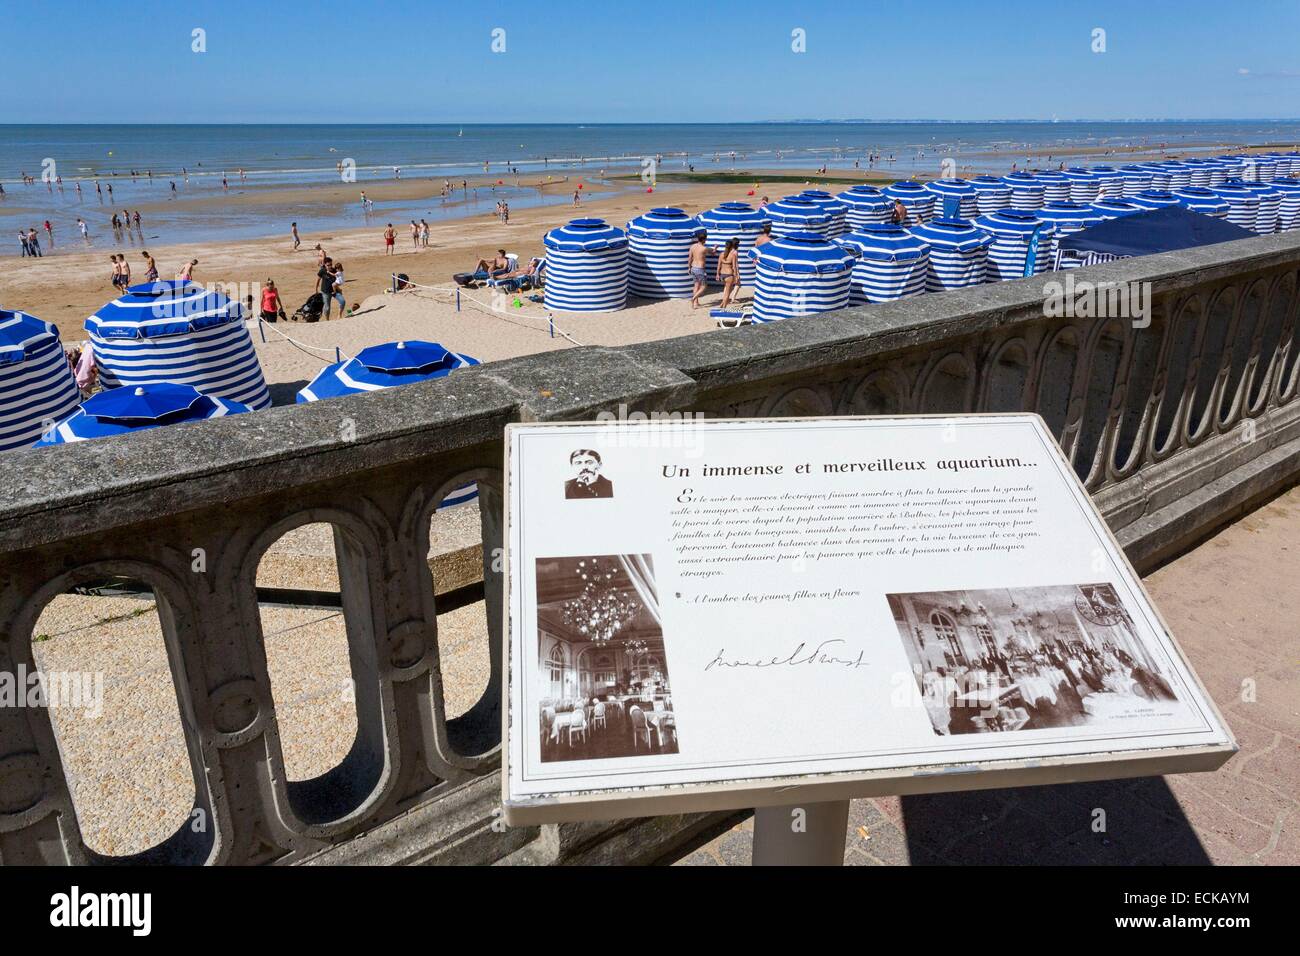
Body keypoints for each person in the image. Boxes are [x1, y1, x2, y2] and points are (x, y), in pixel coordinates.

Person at [687, 231, 711, 309]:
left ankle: (696, 303)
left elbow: (690, 258)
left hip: (693, 267)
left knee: (696, 285)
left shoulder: (692, 246)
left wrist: (689, 267)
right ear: (704, 239)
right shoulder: (704, 248)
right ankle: (693, 299)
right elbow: (713, 252)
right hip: (700, 269)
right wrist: (716, 248)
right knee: (704, 286)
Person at [717, 238, 740, 309]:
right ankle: (723, 307)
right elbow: (734, 267)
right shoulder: (732, 255)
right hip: (729, 275)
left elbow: (719, 265)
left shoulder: (721, 254)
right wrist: (736, 276)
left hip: (722, 275)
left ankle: (721, 305)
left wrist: (717, 274)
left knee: (726, 291)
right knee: (727, 293)